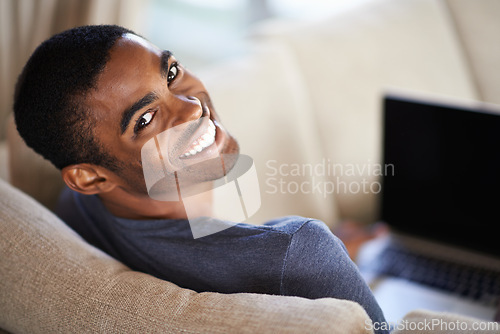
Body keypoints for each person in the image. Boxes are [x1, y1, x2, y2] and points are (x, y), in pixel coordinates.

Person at [14, 24, 388, 333]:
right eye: (144, 119)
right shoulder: (299, 251)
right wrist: (322, 265)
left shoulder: (77, 206)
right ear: (90, 178)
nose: (193, 107)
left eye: (171, 73)